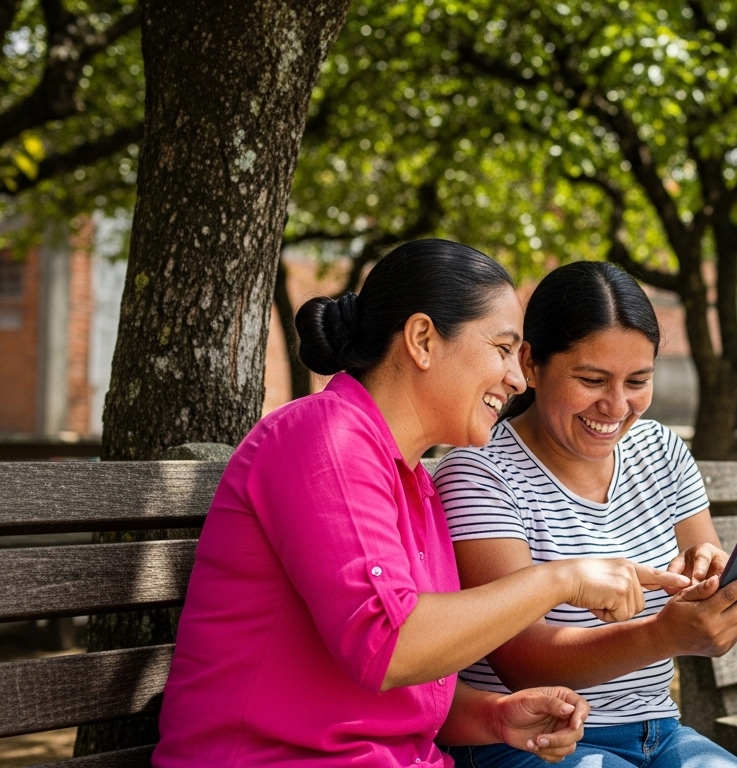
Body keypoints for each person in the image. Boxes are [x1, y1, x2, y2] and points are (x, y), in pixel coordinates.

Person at [154, 240, 689, 767]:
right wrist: (562, 580)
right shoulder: (323, 439)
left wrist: (496, 716)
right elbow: (389, 645)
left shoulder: (412, 482)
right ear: (422, 339)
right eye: (502, 349)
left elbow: (409, 683)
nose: (517, 378)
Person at [432, 261, 737, 768]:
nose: (616, 406)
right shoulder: (480, 474)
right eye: (592, 379)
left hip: (658, 732)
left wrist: (712, 587)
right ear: (530, 364)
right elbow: (521, 664)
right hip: (529, 741)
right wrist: (662, 635)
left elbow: (701, 581)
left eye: (638, 380)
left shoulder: (660, 450)